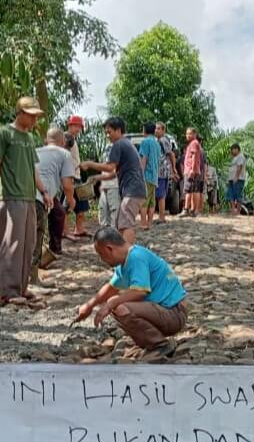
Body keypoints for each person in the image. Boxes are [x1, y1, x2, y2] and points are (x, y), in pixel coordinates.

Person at [75, 227, 187, 361]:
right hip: (165, 311)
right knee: (115, 303)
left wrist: (110, 304)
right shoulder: (124, 262)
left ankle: (159, 345)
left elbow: (140, 291)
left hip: (174, 313)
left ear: (109, 249)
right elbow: (111, 287)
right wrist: (89, 305)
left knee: (120, 307)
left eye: (101, 254)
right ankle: (149, 343)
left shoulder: (136, 257)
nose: (101, 259)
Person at [0, 96, 52, 308]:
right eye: (31, 115)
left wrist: (44, 191)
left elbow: (33, 168)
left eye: (36, 116)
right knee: (11, 244)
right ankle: (8, 291)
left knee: (28, 244)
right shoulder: (4, 133)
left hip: (29, 197)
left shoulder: (29, 138)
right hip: (10, 196)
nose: (35, 120)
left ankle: (22, 288)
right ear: (20, 113)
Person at [81, 117, 146, 245]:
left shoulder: (118, 144)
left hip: (132, 190)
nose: (107, 135)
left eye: (109, 132)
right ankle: (123, 250)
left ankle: (127, 252)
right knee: (122, 222)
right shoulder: (126, 144)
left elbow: (110, 167)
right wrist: (97, 178)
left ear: (118, 130)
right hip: (135, 190)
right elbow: (113, 173)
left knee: (125, 223)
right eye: (106, 132)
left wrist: (89, 164)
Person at [35, 127, 77, 273]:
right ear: (63, 141)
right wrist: (71, 200)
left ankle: (55, 248)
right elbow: (67, 185)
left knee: (58, 212)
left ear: (46, 140)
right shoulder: (65, 154)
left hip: (32, 193)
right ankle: (35, 266)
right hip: (41, 196)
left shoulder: (36, 151)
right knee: (38, 230)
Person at [65, 115, 92, 239]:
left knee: (82, 205)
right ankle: (65, 231)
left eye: (80, 127)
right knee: (66, 206)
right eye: (76, 126)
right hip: (69, 176)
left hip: (77, 175)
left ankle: (79, 229)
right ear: (70, 126)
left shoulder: (73, 139)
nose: (78, 129)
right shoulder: (66, 138)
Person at [137, 122, 163, 231]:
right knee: (152, 201)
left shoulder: (145, 142)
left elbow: (144, 159)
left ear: (145, 130)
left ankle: (143, 223)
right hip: (154, 176)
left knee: (144, 200)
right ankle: (150, 223)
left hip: (146, 175)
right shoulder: (157, 144)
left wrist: (140, 174)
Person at [155, 122, 178, 224]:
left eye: (158, 129)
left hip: (162, 171)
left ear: (163, 130)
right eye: (156, 128)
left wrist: (173, 168)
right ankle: (161, 216)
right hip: (161, 171)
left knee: (161, 195)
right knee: (161, 195)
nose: (156, 130)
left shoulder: (163, 140)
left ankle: (161, 217)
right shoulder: (159, 140)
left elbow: (171, 154)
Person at [181, 128, 204, 217]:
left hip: (191, 171)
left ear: (195, 134)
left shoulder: (194, 143)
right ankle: (193, 210)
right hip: (193, 170)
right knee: (193, 190)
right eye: (187, 133)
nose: (188, 135)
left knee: (189, 190)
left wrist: (192, 170)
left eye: (190, 133)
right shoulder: (193, 144)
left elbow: (194, 157)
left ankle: (187, 209)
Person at [227, 143, 248, 215]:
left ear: (237, 149)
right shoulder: (234, 158)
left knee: (238, 194)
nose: (232, 151)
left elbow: (239, 167)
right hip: (231, 179)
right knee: (231, 195)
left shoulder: (241, 156)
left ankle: (238, 211)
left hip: (239, 179)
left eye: (233, 149)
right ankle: (233, 210)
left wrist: (236, 177)